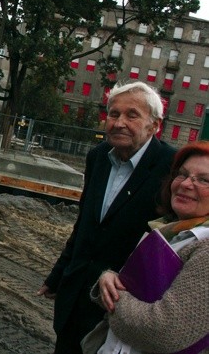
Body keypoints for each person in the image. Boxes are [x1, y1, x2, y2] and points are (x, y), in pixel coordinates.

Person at [37, 81, 176, 354]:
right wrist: (58, 276)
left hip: (122, 307)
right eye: (114, 114)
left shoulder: (171, 168)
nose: (119, 122)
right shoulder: (98, 157)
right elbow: (85, 226)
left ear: (154, 125)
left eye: (132, 115)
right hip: (75, 297)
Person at [90, 141, 209, 354]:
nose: (185, 184)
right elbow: (143, 290)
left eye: (204, 180)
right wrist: (110, 278)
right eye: (182, 174)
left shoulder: (205, 248)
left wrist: (111, 297)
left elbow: (163, 332)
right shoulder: (169, 231)